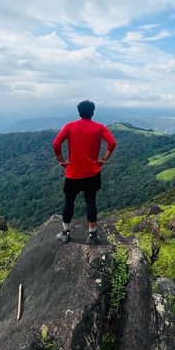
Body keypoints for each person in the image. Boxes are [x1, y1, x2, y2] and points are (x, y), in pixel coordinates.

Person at [52, 100, 116, 244]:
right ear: (92, 112)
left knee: (69, 202)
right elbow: (112, 143)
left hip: (73, 173)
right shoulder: (100, 127)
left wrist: (62, 161)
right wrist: (103, 159)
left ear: (79, 112)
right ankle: (92, 235)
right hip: (92, 173)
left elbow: (56, 144)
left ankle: (65, 232)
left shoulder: (70, 126)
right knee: (91, 201)